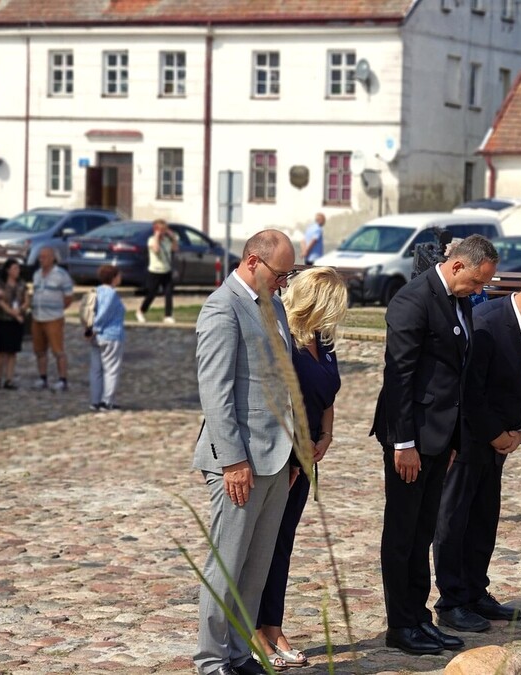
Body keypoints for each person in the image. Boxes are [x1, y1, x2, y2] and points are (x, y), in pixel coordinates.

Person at [371, 234, 499, 656]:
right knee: (403, 532)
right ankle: (400, 625)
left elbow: (457, 376)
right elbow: (400, 377)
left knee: (424, 531)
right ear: (458, 266)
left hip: (442, 437)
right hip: (411, 438)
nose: (479, 292)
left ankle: (419, 617)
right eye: (478, 283)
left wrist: (457, 440)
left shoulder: (457, 300)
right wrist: (403, 443)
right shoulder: (413, 300)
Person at [433, 273, 521, 632]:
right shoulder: (488, 324)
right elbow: (470, 390)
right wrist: (495, 434)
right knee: (453, 521)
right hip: (467, 441)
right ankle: (451, 600)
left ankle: (476, 590)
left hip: (499, 445)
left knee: (484, 518)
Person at [193, 229, 296, 675]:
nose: (284, 283)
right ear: (253, 262)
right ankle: (212, 660)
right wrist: (232, 460)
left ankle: (239, 651)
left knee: (257, 566)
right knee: (227, 564)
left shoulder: (273, 306)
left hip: (277, 456)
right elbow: (215, 393)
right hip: (239, 461)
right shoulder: (222, 308)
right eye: (281, 274)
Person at [254, 267, 348, 671]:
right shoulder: (283, 338)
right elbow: (273, 400)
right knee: (262, 546)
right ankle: (254, 631)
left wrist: (326, 436)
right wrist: (296, 454)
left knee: (283, 545)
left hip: (309, 457)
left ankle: (273, 627)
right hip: (282, 457)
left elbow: (327, 395)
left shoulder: (322, 341)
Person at [30, 247, 74, 391]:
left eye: (44, 257)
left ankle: (63, 379)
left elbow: (68, 297)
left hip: (53, 318)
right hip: (37, 317)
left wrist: (57, 308)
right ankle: (42, 377)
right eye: (40, 257)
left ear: (52, 258)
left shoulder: (61, 275)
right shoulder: (37, 274)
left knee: (58, 350)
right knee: (40, 350)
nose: (41, 259)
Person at [87, 265, 126, 412]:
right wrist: (95, 329)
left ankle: (95, 400)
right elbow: (104, 313)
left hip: (96, 338)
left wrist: (89, 329)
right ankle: (106, 401)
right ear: (114, 278)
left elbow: (90, 311)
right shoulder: (111, 294)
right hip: (111, 335)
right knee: (111, 370)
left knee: (96, 370)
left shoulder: (96, 291)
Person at [0, 258, 28, 390]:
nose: (17, 271)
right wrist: (13, 313)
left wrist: (21, 309)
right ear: (8, 270)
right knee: (1, 351)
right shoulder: (0, 284)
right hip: (3, 320)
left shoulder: (21, 283)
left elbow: (26, 299)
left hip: (16, 321)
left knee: (13, 351)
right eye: (14, 268)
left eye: (18, 268)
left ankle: (9, 379)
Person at [136, 218, 179, 324]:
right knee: (151, 294)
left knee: (168, 293)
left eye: (165, 229)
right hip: (154, 271)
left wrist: (173, 237)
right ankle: (141, 311)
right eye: (161, 229)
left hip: (166, 271)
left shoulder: (167, 240)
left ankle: (168, 315)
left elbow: (175, 249)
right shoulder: (151, 240)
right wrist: (156, 236)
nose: (163, 231)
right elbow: (156, 249)